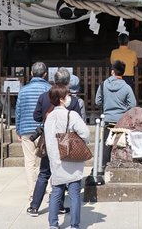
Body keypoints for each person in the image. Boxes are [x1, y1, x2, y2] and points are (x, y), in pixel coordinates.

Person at [27, 69, 83, 217]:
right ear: (68, 81)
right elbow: (79, 121)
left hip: (48, 139)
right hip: (66, 140)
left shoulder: (45, 97)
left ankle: (34, 206)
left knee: (44, 173)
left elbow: (36, 116)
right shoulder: (72, 100)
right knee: (63, 174)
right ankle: (59, 206)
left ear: (53, 80)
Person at [44, 84, 89, 229]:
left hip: (55, 158)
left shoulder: (49, 117)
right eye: (67, 96)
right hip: (72, 158)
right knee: (74, 192)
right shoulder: (72, 115)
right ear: (62, 99)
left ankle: (53, 223)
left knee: (56, 190)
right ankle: (74, 224)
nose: (70, 98)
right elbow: (86, 134)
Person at [14, 61, 49, 201]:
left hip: (26, 129)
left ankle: (32, 193)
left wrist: (18, 130)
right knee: (46, 160)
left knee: (30, 162)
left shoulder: (23, 90)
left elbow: (18, 111)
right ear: (45, 74)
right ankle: (49, 189)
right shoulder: (49, 89)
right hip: (44, 130)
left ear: (31, 73)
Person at [95, 60, 136, 167]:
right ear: (123, 72)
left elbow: (97, 101)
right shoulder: (126, 87)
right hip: (121, 121)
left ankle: (102, 167)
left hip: (107, 119)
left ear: (112, 71)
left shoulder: (103, 85)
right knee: (123, 144)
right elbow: (133, 104)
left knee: (106, 145)